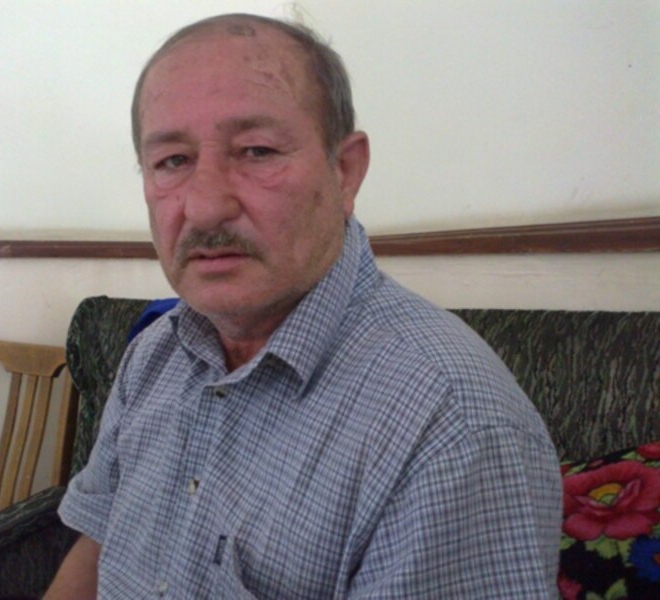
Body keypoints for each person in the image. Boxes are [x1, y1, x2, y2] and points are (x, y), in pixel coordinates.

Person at [46, 13, 561, 599]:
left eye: (256, 151)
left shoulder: (449, 426)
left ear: (346, 171)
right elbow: (101, 542)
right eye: (173, 161)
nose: (205, 207)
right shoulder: (153, 355)